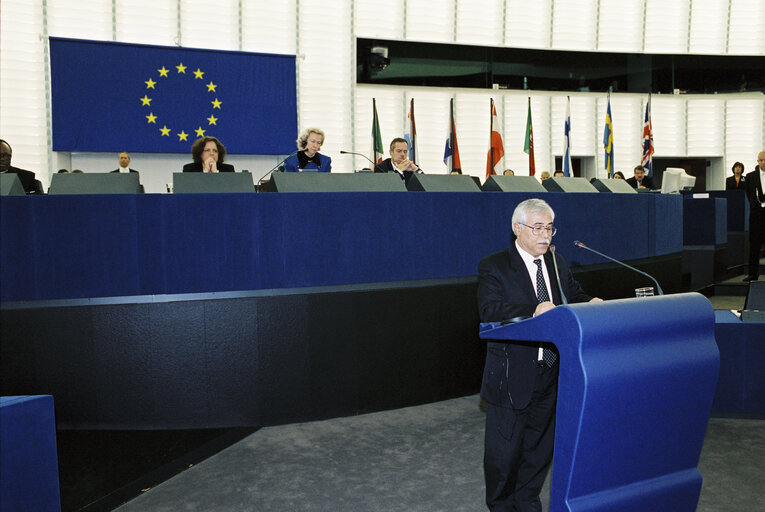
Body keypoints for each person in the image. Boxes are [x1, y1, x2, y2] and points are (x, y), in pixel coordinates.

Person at [477, 198, 602, 512]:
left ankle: (527, 499)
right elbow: (490, 310)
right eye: (537, 228)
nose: (545, 235)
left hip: (553, 369)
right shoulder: (495, 265)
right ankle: (502, 504)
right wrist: (533, 310)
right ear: (518, 229)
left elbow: (572, 296)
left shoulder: (557, 262)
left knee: (539, 446)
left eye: (549, 228)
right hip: (514, 370)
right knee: (504, 450)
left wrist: (590, 303)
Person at [744, 151, 765, 281]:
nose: (764, 162)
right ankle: (753, 274)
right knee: (754, 245)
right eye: (761, 160)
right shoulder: (750, 177)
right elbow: (750, 195)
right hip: (757, 215)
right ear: (757, 161)